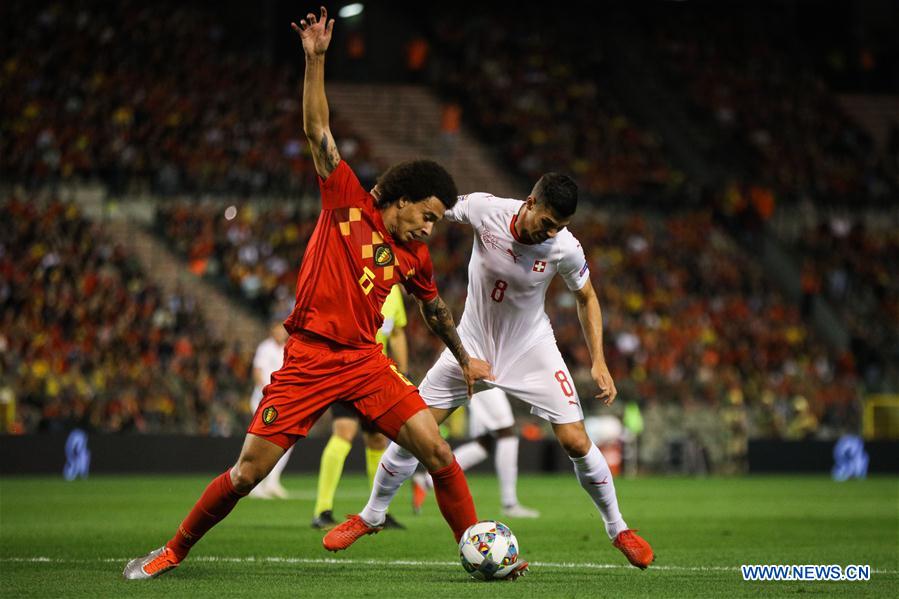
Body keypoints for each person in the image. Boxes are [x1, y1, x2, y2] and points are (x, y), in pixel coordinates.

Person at [123, 7, 515, 580]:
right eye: (427, 217)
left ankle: (474, 551)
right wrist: (316, 60)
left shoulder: (414, 256)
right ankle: (174, 550)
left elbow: (433, 308)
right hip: (308, 358)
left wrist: (463, 358)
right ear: (403, 199)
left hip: (364, 361)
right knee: (246, 475)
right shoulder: (347, 202)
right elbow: (318, 132)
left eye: (435, 223)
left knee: (438, 452)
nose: (429, 230)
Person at [325, 176, 655, 570]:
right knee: (415, 430)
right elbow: (435, 207)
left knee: (575, 440)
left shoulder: (565, 248)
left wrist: (598, 359)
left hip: (531, 348)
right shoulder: (487, 209)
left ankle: (618, 529)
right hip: (472, 346)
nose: (551, 233)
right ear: (530, 202)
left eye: (560, 227)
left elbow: (587, 297)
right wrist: (386, 208)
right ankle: (371, 515)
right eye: (548, 222)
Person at [312, 284, 409, 529]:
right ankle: (322, 510)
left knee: (377, 440)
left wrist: (403, 372)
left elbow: (396, 333)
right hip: (346, 369)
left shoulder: (394, 291)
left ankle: (378, 512)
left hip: (378, 376)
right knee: (344, 432)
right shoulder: (355, 280)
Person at [411, 387, 541, 519]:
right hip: (484, 376)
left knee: (484, 443)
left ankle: (426, 481)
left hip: (482, 378)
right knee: (506, 433)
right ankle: (509, 503)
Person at [247, 320, 291, 499]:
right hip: (263, 400)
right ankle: (254, 484)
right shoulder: (265, 348)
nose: (280, 333)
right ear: (272, 331)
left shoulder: (287, 348)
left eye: (282, 330)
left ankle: (272, 481)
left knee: (286, 443)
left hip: (281, 401)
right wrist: (265, 391)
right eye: (277, 330)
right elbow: (257, 371)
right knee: (262, 442)